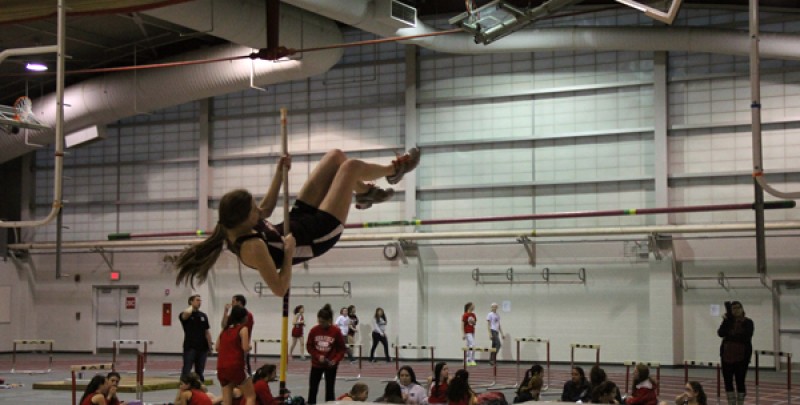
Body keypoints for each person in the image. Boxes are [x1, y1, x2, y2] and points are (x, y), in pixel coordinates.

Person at [174, 148, 422, 297]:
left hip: (298, 219)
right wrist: (290, 253)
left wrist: (280, 173)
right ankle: (394, 171)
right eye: (252, 210)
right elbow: (280, 288)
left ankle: (364, 193)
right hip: (319, 234)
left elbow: (267, 209)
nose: (257, 212)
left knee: (336, 157)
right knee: (351, 167)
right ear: (242, 219)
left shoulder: (236, 222)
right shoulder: (252, 247)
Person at [306, 303, 347, 404]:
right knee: (313, 389)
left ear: (329, 320)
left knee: (330, 390)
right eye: (319, 321)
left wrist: (335, 360)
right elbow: (309, 346)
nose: (321, 323)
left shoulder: (336, 331)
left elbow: (342, 349)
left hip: (330, 365)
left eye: (323, 322)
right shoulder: (314, 330)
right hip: (316, 364)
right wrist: (317, 355)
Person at [216, 305, 255, 405]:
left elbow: (217, 347)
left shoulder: (224, 330)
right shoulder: (243, 329)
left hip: (221, 367)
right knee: (251, 396)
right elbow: (245, 348)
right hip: (236, 366)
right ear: (243, 317)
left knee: (227, 400)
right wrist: (250, 346)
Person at [717, 301, 753, 405]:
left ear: (742, 309)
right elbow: (720, 333)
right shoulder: (728, 321)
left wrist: (730, 336)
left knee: (740, 381)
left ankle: (740, 402)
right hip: (726, 356)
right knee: (728, 381)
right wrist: (727, 321)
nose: (735, 310)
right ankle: (731, 403)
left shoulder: (748, 322)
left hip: (742, 357)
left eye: (738, 308)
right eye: (733, 309)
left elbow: (746, 336)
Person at [180, 294, 213, 382]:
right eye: (197, 300)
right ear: (191, 301)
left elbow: (207, 332)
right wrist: (192, 307)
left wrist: (210, 345)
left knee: (200, 370)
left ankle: (199, 386)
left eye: (200, 300)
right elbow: (186, 314)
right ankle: (184, 385)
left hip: (202, 347)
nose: (199, 302)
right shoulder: (184, 314)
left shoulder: (203, 315)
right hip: (190, 346)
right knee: (187, 369)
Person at [222, 294, 255, 373]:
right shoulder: (233, 315)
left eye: (233, 301)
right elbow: (224, 325)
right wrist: (225, 312)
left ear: (239, 302)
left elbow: (243, 329)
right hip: (232, 347)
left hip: (241, 347)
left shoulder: (247, 315)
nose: (231, 303)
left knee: (243, 369)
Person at [462, 302, 477, 366]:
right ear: (469, 306)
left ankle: (467, 360)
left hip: (472, 332)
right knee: (473, 345)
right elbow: (462, 325)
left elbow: (474, 323)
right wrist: (463, 334)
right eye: (473, 306)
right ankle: (471, 359)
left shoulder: (473, 315)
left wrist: (473, 322)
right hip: (467, 332)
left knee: (468, 346)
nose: (474, 307)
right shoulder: (465, 315)